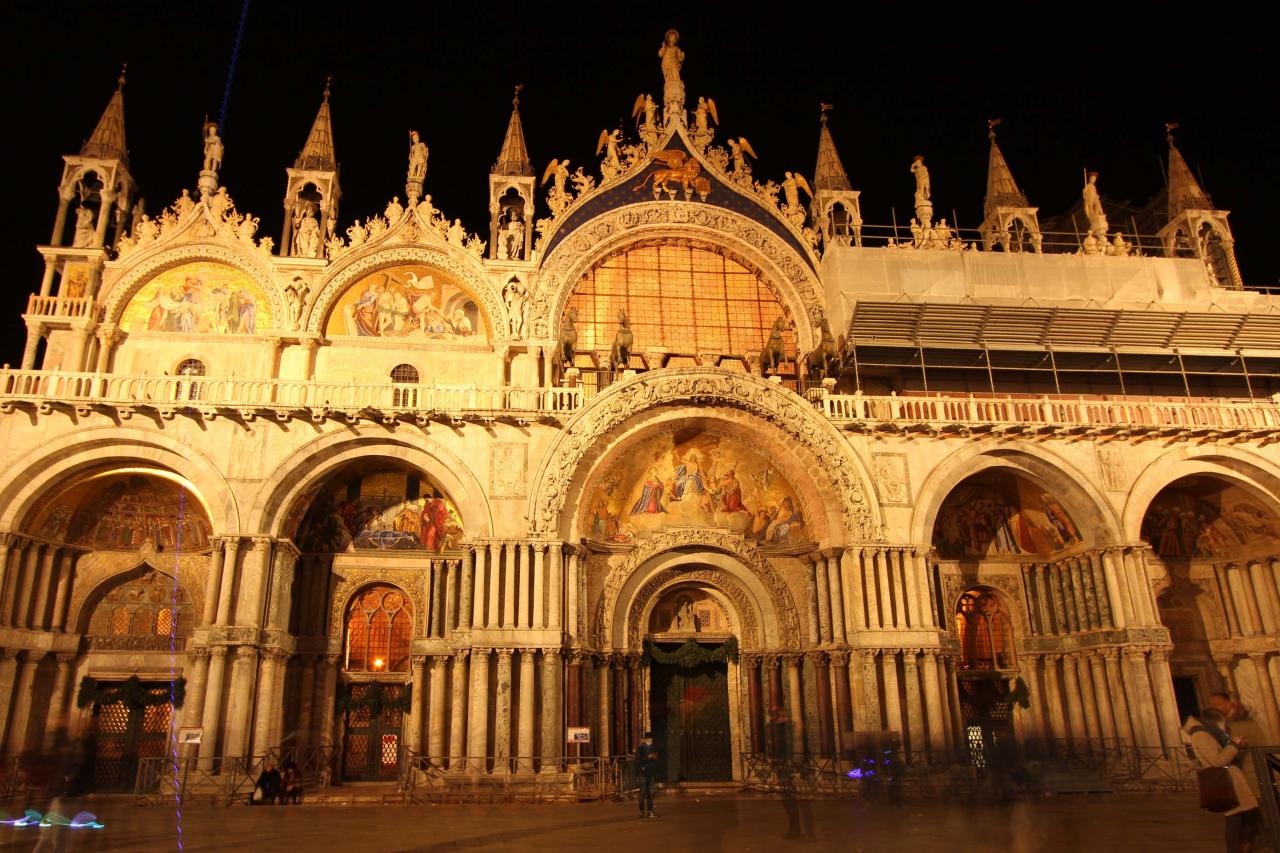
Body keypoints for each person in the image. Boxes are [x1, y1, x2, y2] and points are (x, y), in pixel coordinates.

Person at [1184, 707, 1260, 852]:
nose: (1223, 726)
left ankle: (1246, 847)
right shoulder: (1201, 735)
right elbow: (1217, 760)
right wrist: (1234, 745)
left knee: (1247, 817)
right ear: (1213, 722)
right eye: (1221, 723)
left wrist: (1235, 746)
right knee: (1236, 820)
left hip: (1232, 780)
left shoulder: (1209, 733)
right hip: (1226, 783)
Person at [634, 731, 659, 818]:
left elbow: (656, 758)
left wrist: (655, 757)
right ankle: (641, 811)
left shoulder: (654, 747)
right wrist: (647, 757)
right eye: (648, 739)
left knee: (650, 793)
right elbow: (637, 761)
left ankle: (650, 811)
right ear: (645, 739)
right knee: (643, 792)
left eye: (650, 739)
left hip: (651, 773)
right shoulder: (640, 748)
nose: (649, 740)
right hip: (643, 773)